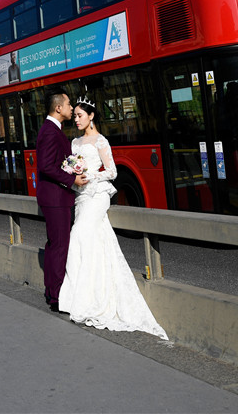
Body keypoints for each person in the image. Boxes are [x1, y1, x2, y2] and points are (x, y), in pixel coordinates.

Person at [58, 97, 168, 338]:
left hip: (97, 195)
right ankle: (80, 296)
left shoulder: (100, 141)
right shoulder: (74, 141)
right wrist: (73, 171)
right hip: (81, 196)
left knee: (78, 236)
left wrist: (90, 176)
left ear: (91, 116)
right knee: (89, 242)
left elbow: (112, 171)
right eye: (74, 115)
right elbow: (69, 165)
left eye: (80, 115)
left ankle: (88, 298)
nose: (76, 119)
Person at [36, 91, 88, 311]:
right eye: (68, 104)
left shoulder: (51, 129)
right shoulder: (50, 131)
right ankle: (57, 296)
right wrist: (72, 179)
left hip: (55, 198)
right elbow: (46, 167)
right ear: (58, 108)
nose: (70, 108)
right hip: (56, 199)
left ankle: (52, 292)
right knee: (59, 247)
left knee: (53, 246)